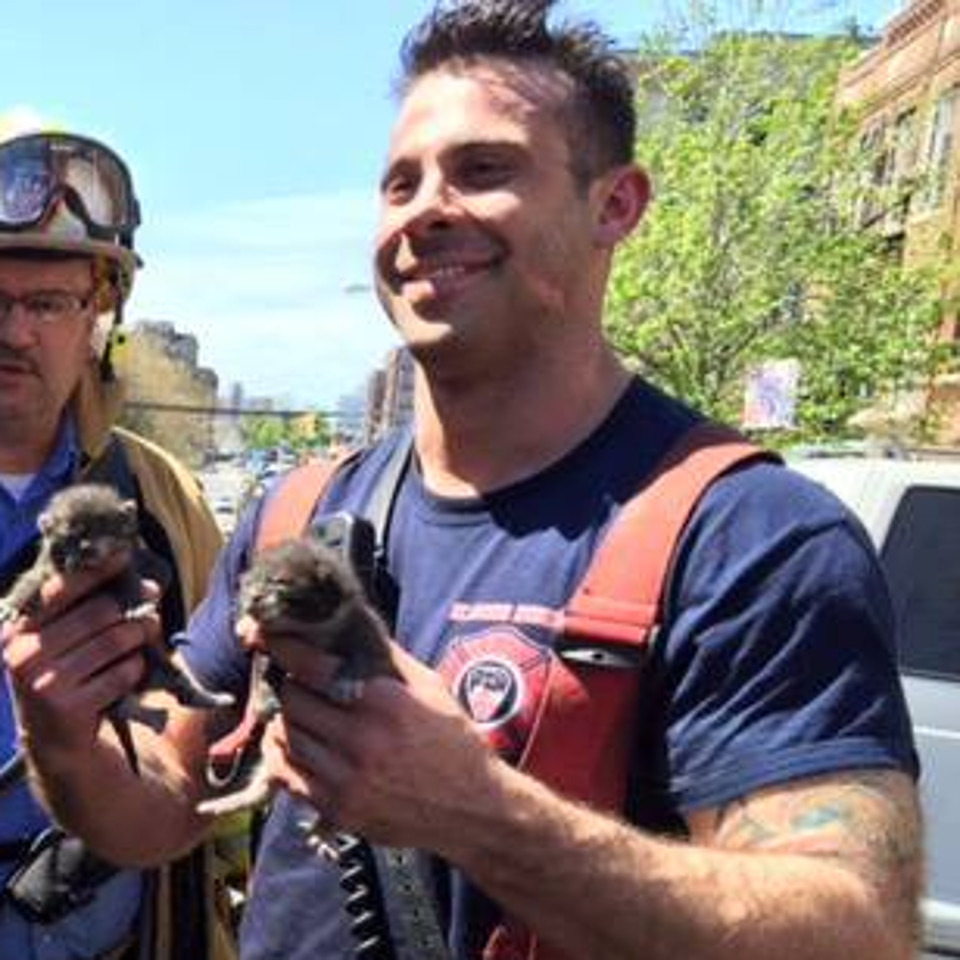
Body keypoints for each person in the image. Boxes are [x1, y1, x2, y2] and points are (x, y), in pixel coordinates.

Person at [2, 3, 923, 958]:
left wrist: (482, 813)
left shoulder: (750, 538)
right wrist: (62, 734)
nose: (426, 209)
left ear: (617, 204)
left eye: (484, 170)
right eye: (400, 181)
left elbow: (856, 934)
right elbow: (155, 812)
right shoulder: (301, 511)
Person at [0, 115, 235, 960]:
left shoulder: (162, 501)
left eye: (48, 303)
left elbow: (220, 746)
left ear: (99, 316)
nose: (15, 331)